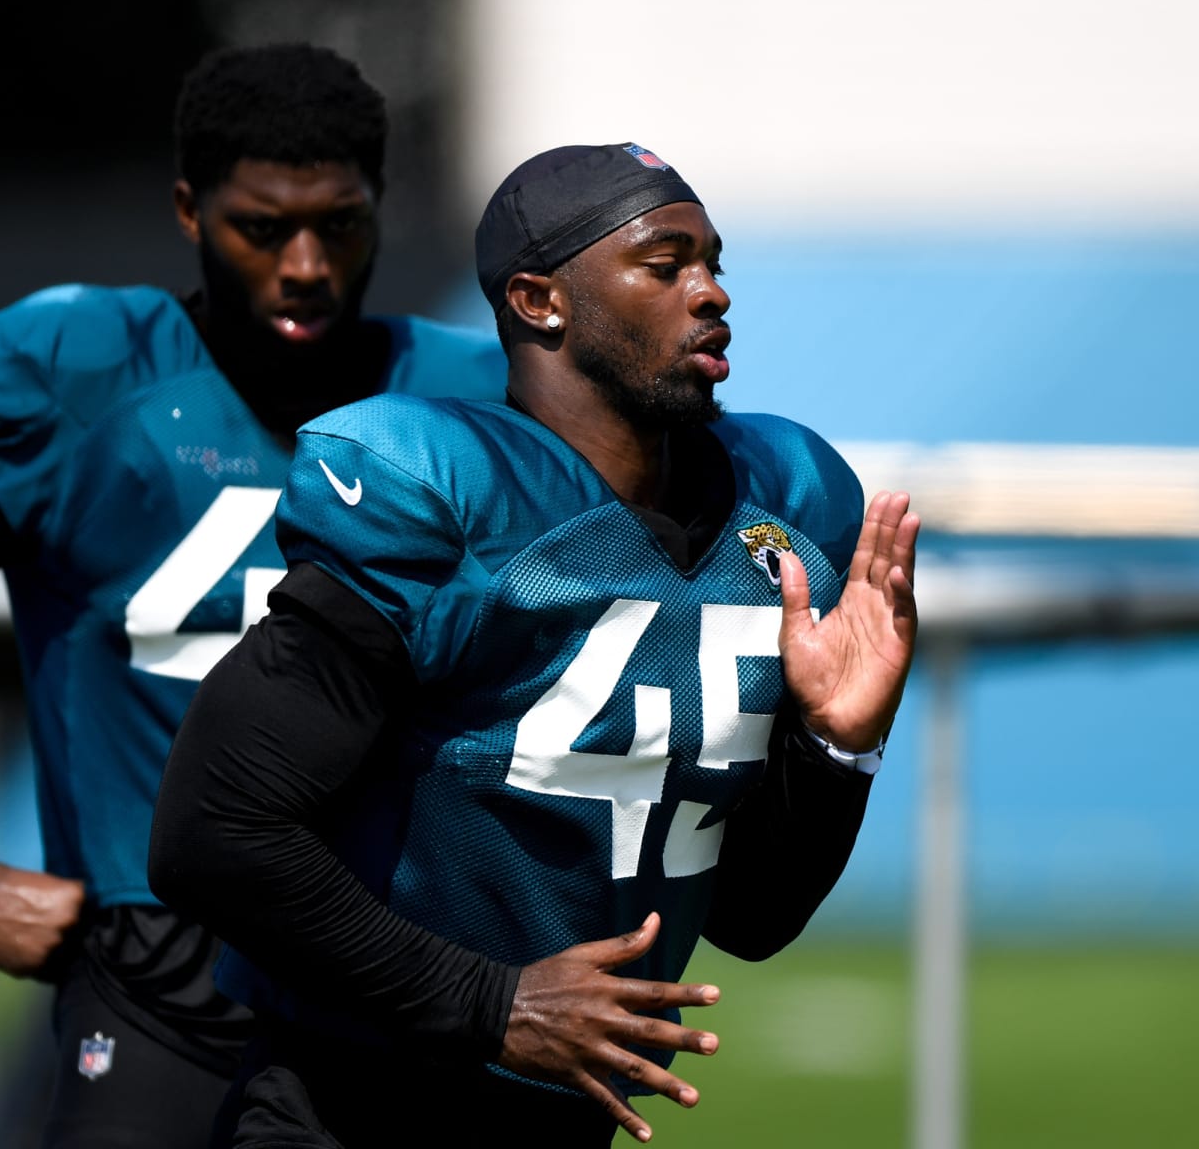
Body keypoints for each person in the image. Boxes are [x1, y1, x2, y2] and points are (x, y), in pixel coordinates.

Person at [149, 141, 919, 1147]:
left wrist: (837, 749)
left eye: (715, 263)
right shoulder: (447, 491)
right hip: (351, 1108)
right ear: (539, 301)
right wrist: (491, 1005)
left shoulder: (778, 505)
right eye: (664, 262)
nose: (711, 293)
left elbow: (755, 919)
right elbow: (211, 833)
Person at [0, 42, 504, 1149]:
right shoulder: (73, 370)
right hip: (153, 972)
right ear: (189, 210)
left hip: (388, 968)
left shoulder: (473, 397)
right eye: (263, 228)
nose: (308, 265)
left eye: (343, 222)